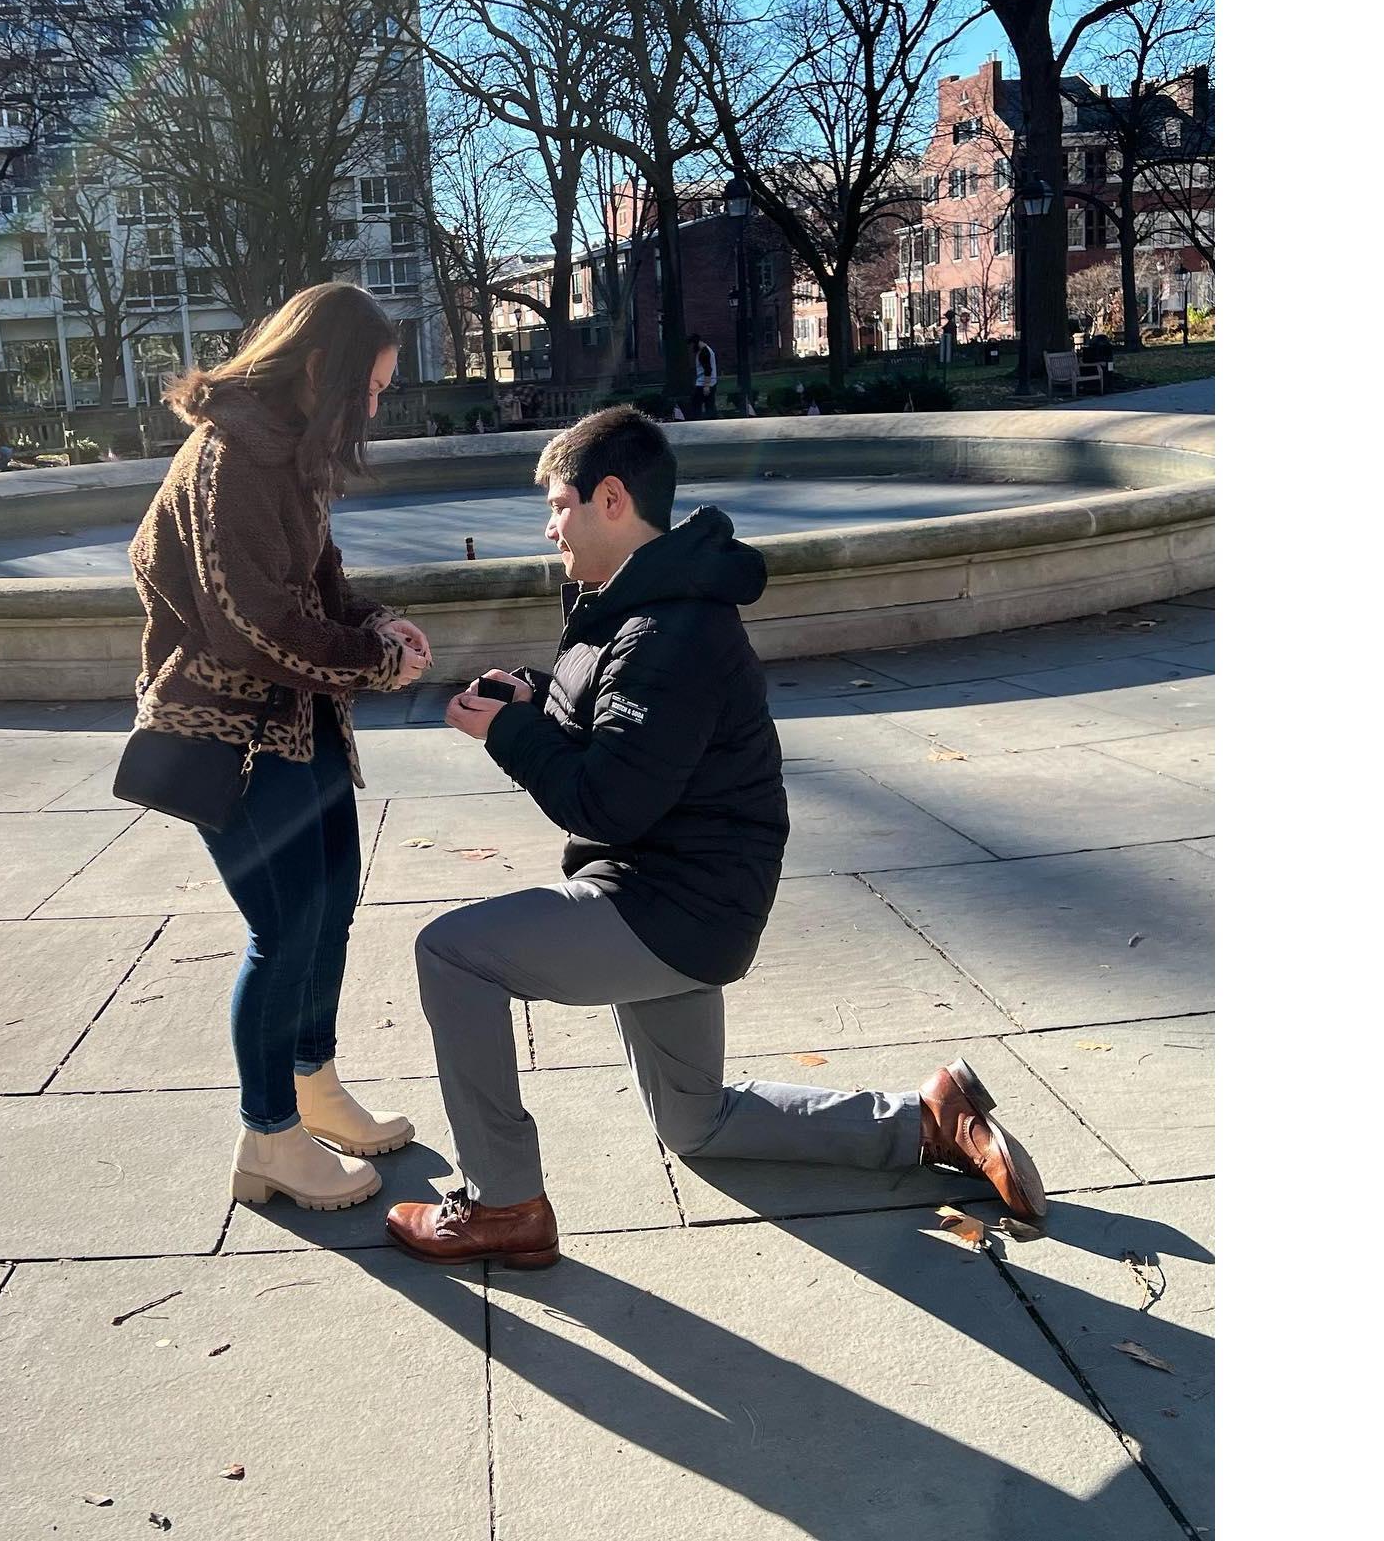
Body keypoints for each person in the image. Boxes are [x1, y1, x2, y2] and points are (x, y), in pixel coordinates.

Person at [386, 406, 1046, 1268]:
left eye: (558, 505)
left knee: (452, 952)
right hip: (681, 892)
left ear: (610, 498)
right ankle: (927, 1119)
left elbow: (609, 801)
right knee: (695, 1122)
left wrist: (506, 735)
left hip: (665, 903)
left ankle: (503, 1201)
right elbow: (618, 734)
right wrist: (532, 699)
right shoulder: (632, 606)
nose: (547, 526)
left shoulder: (670, 628)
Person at [129, 282, 435, 1212]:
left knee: (330, 905)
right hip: (230, 734)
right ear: (319, 370)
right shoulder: (229, 456)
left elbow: (319, 581)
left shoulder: (288, 452)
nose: (374, 407)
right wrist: (375, 663)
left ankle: (311, 1082)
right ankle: (267, 1136)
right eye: (371, 388)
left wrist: (379, 622)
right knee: (284, 928)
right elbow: (247, 623)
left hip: (298, 725)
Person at [689, 335, 719, 418]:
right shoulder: (708, 350)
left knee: (696, 404)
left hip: (703, 383)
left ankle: (698, 421)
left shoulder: (704, 352)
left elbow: (708, 369)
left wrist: (706, 386)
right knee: (709, 405)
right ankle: (712, 420)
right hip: (711, 382)